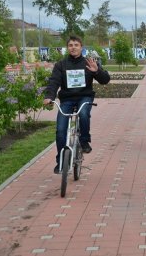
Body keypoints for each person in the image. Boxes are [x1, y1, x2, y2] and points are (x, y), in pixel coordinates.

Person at [43, 36, 111, 174]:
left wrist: (96, 71)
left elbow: (105, 80)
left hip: (84, 97)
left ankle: (84, 141)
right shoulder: (61, 65)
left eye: (76, 45)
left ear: (81, 47)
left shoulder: (89, 63)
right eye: (70, 45)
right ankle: (61, 161)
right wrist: (49, 97)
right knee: (61, 130)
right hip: (67, 99)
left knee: (84, 113)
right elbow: (54, 82)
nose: (73, 47)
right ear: (67, 48)